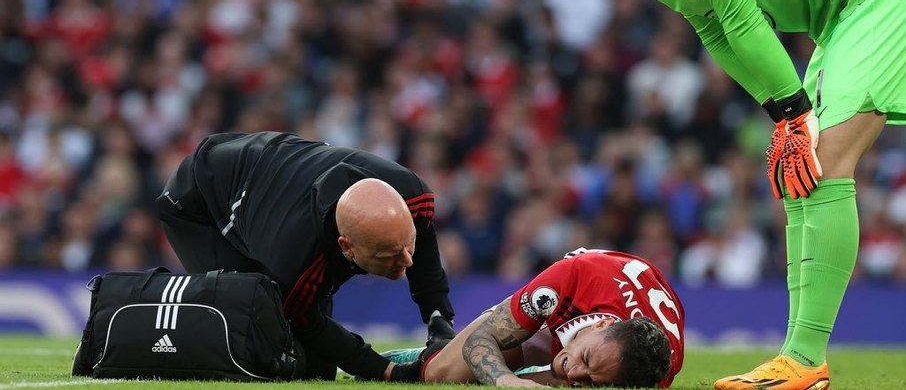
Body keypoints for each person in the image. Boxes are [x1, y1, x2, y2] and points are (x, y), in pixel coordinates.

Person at [538, 0, 906, 390]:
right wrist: (781, 111)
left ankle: (803, 359)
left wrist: (795, 109)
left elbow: (738, 14)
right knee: (800, 175)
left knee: (823, 167)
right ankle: (800, 361)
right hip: (841, 15)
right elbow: (715, 35)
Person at [156, 131, 455, 382]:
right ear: (347, 247)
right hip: (200, 200)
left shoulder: (414, 198)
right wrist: (387, 371)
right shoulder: (295, 261)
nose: (407, 261)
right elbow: (308, 322)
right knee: (269, 342)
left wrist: (439, 323)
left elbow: (425, 251)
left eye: (407, 243)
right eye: (388, 254)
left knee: (319, 369)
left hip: (269, 172)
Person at [379, 248, 684, 388]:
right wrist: (504, 379)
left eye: (592, 380)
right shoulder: (569, 280)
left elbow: (587, 369)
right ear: (605, 325)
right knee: (440, 374)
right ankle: (425, 355)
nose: (575, 371)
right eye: (587, 358)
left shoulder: (647, 373)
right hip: (563, 308)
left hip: (592, 331)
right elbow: (482, 339)